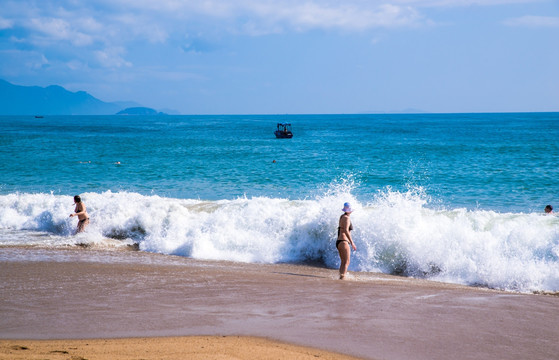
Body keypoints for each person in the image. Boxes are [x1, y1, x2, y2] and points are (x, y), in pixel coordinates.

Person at [336, 202, 357, 279]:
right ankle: (342, 278)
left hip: (340, 241)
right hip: (344, 241)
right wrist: (352, 242)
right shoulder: (346, 218)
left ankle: (341, 276)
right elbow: (345, 230)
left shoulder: (342, 216)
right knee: (346, 262)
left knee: (343, 261)